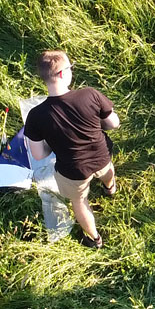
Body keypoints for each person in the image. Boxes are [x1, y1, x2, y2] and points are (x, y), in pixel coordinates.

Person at [24, 50, 121, 249]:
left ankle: (94, 238)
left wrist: (54, 141)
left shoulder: (36, 116)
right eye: (70, 68)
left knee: (79, 201)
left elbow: (38, 154)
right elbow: (114, 123)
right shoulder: (90, 94)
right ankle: (110, 188)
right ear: (62, 74)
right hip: (102, 155)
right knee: (107, 170)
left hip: (73, 170)